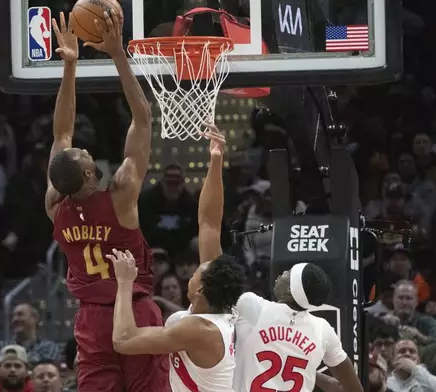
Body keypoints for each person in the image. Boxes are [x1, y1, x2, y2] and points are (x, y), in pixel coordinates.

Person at [45, 11, 167, 392]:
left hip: (91, 321)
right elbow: (143, 120)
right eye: (84, 155)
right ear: (87, 174)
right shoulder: (122, 194)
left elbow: (61, 130)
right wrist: (117, 55)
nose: (83, 148)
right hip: (135, 307)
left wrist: (70, 67)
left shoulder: (55, 204)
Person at [192, 123, 364, 392]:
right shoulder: (322, 331)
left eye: (287, 275)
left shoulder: (253, 306)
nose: (282, 274)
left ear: (291, 290)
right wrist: (308, 371)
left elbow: (210, 233)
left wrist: (215, 162)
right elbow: (353, 389)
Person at [109, 125, 246, 392]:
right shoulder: (221, 312)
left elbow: (124, 340)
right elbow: (208, 223)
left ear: (201, 288)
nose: (193, 270)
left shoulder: (200, 329)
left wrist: (124, 282)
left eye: (197, 272)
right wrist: (216, 161)